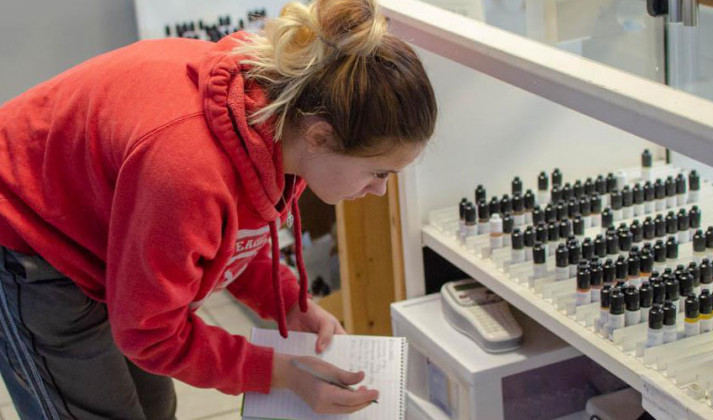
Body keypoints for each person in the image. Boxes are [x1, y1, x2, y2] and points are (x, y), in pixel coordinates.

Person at [0, 0, 437, 417]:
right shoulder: (188, 169)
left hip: (98, 222)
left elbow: (225, 237)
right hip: (27, 231)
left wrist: (291, 303)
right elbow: (148, 334)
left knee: (154, 408)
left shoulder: (287, 123)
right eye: (378, 173)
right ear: (321, 136)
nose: (378, 192)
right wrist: (278, 373)